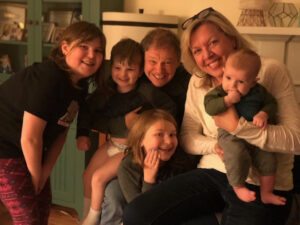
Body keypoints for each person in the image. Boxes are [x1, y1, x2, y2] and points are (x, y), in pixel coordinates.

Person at [122, 7, 300, 225]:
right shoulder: (198, 81)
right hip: (212, 173)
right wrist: (217, 147)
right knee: (136, 214)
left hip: (262, 182)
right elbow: (187, 136)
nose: (206, 55)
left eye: (213, 43)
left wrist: (239, 127)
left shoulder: (270, 70)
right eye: (197, 50)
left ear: (232, 39)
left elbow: (296, 139)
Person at [0, 21, 106, 225]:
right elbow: (30, 137)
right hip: (6, 150)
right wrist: (35, 177)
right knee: (28, 219)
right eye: (84, 46)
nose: (91, 55)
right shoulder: (48, 77)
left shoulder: (79, 87)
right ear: (65, 47)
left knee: (42, 210)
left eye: (98, 50)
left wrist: (45, 172)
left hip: (28, 152)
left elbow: (61, 132)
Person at [99, 28, 196, 225]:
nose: (159, 70)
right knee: (107, 188)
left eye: (167, 63)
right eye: (152, 62)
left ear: (179, 62)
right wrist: (123, 123)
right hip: (135, 150)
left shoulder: (190, 85)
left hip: (177, 157)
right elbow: (101, 115)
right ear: (142, 61)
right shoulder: (132, 77)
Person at [78, 38, 177, 225]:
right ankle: (85, 215)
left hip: (131, 149)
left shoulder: (147, 91)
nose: (123, 74)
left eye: (130, 69)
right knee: (87, 176)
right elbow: (87, 110)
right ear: (111, 67)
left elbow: (170, 108)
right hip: (111, 143)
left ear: (140, 72)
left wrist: (147, 124)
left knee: (99, 178)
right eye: (117, 68)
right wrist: (82, 133)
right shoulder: (106, 91)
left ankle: (92, 219)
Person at [204, 48, 285, 205]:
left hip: (256, 135)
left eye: (240, 82)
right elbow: (209, 106)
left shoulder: (259, 92)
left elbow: (271, 103)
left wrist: (263, 114)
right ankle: (238, 186)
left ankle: (267, 192)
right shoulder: (220, 92)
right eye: (228, 78)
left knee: (269, 159)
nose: (232, 85)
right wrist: (226, 101)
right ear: (223, 72)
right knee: (235, 153)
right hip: (229, 134)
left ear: (254, 81)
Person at [118, 109, 196, 203]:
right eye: (159, 134)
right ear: (141, 140)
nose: (168, 141)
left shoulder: (180, 159)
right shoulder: (128, 167)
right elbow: (140, 213)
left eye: (172, 135)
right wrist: (149, 179)